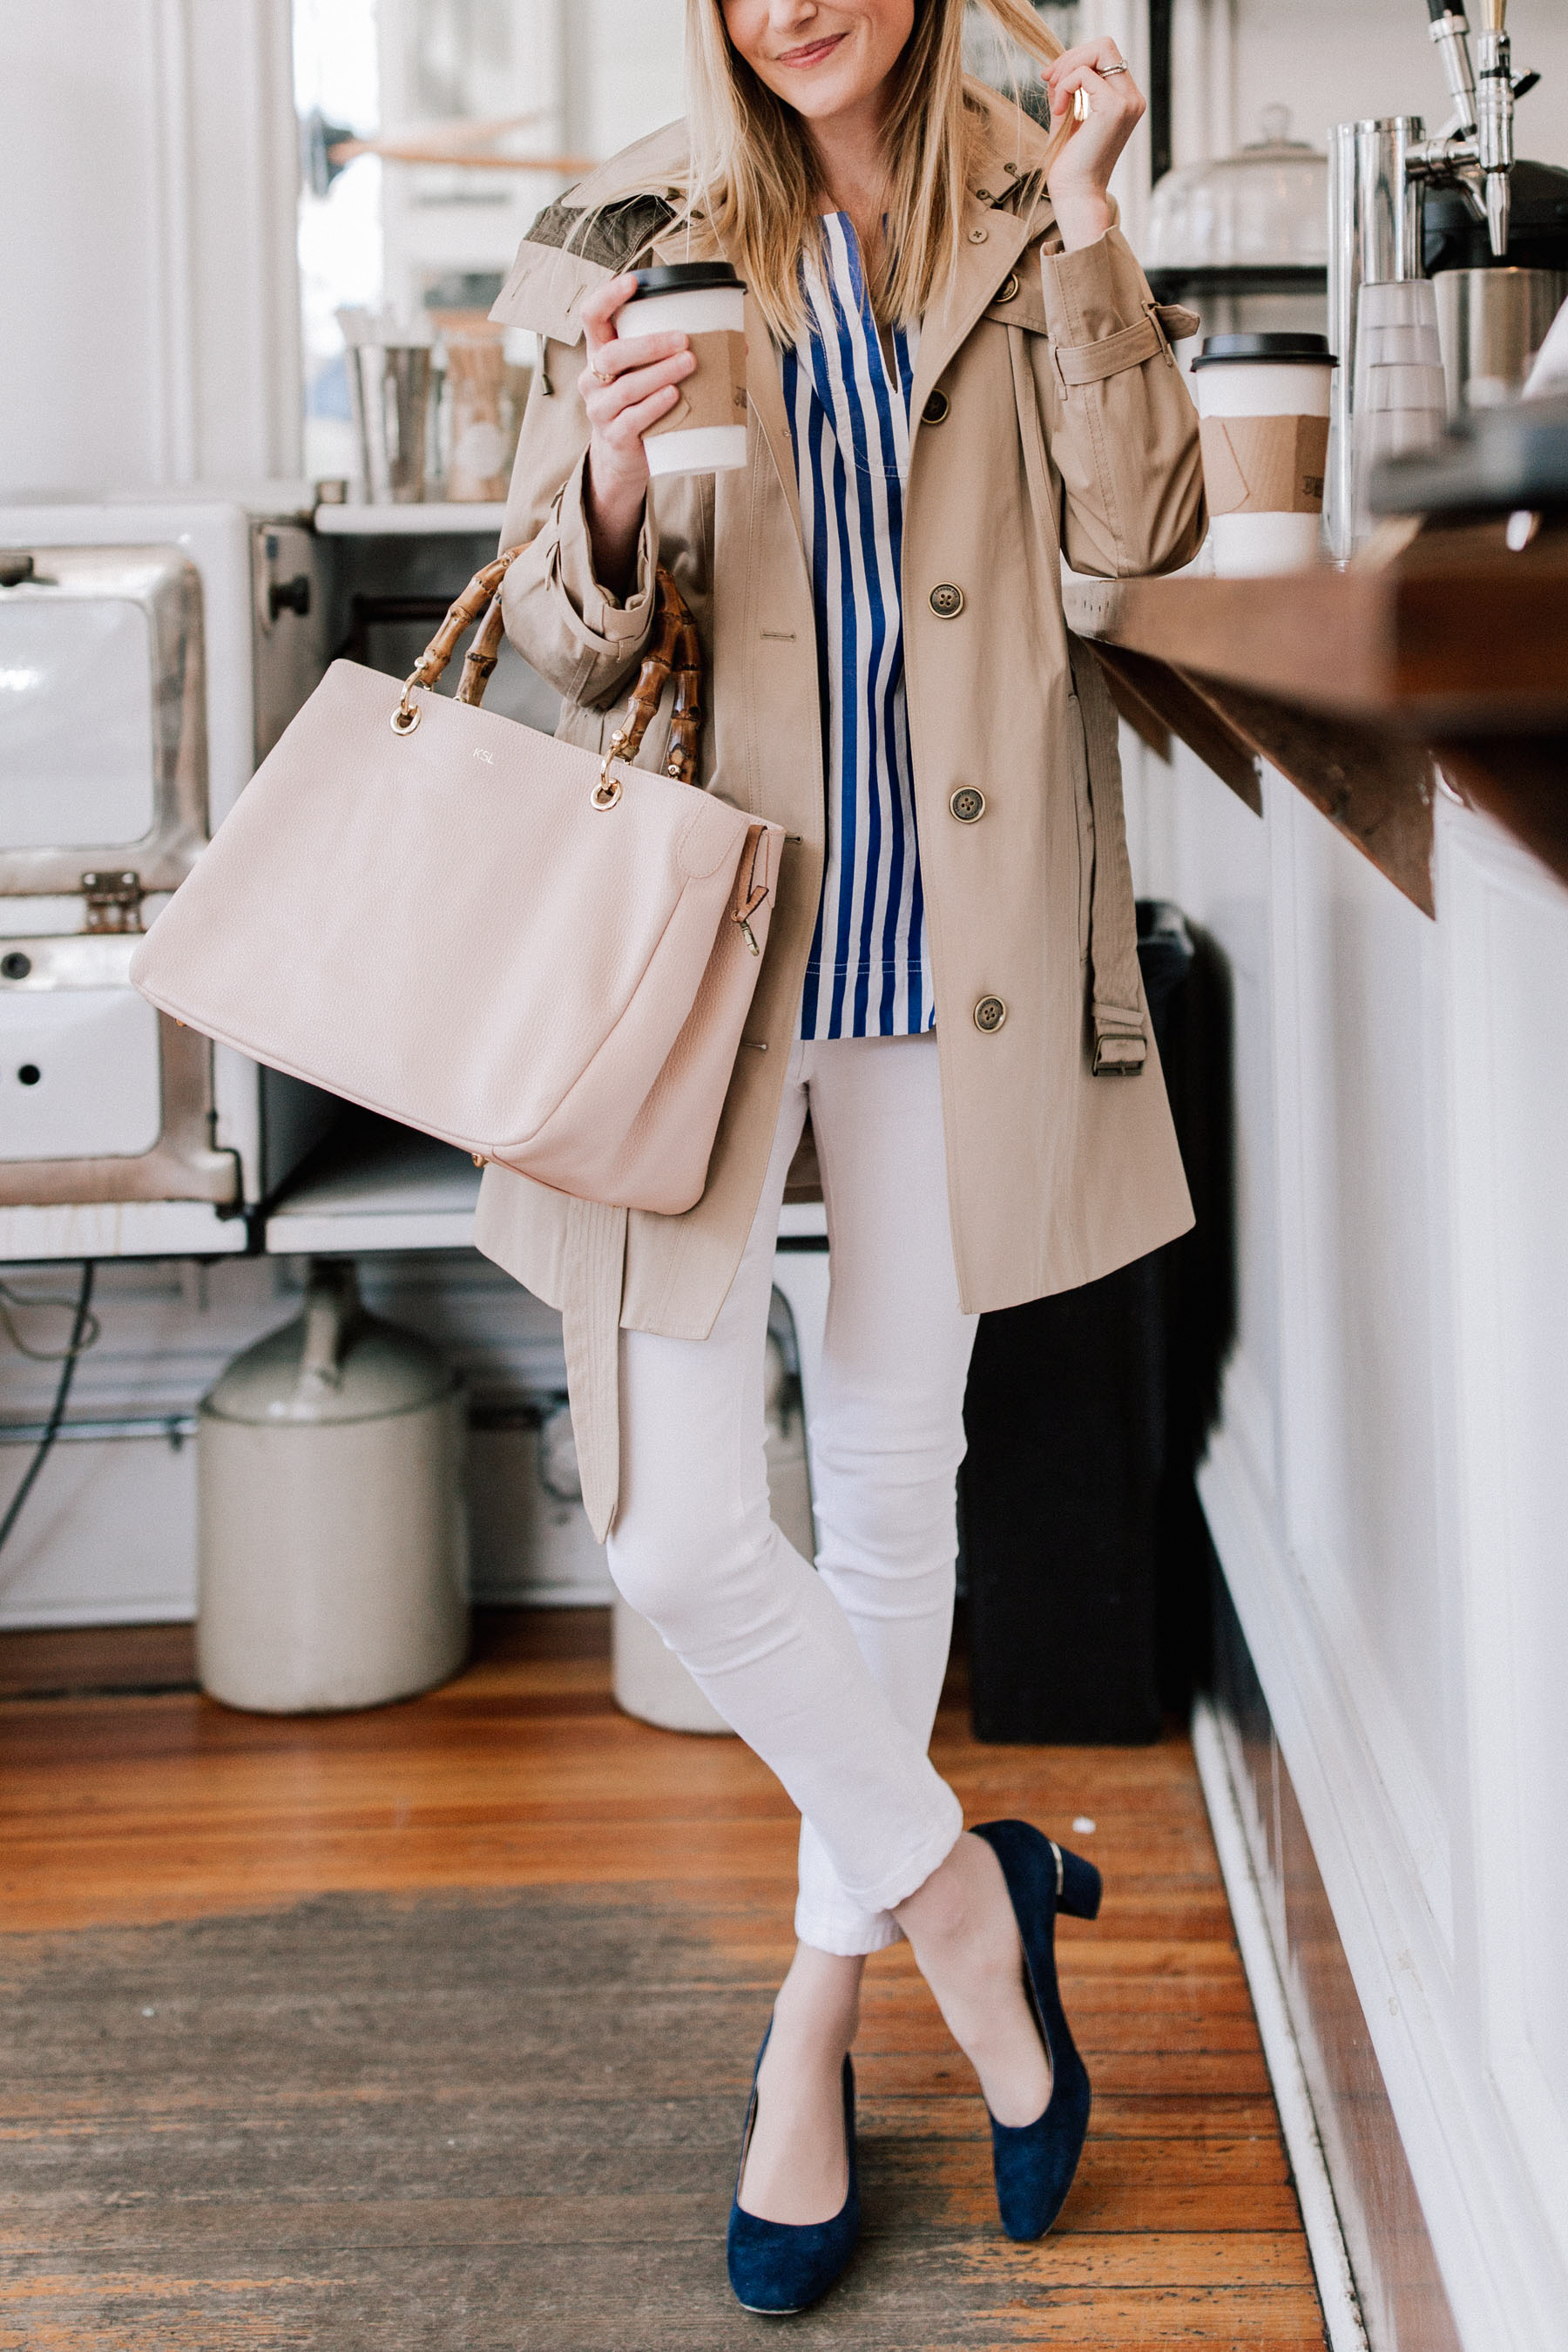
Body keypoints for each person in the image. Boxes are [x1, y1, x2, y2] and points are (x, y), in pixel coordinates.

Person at [476, 0, 1205, 2314]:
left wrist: (1093, 223)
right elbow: (567, 652)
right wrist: (596, 480)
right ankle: (965, 1895)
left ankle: (815, 2030)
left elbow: (1144, 529)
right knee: (678, 1513)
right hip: (720, 947)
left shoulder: (1024, 191)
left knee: (903, 1491)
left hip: (955, 951)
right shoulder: (634, 229)